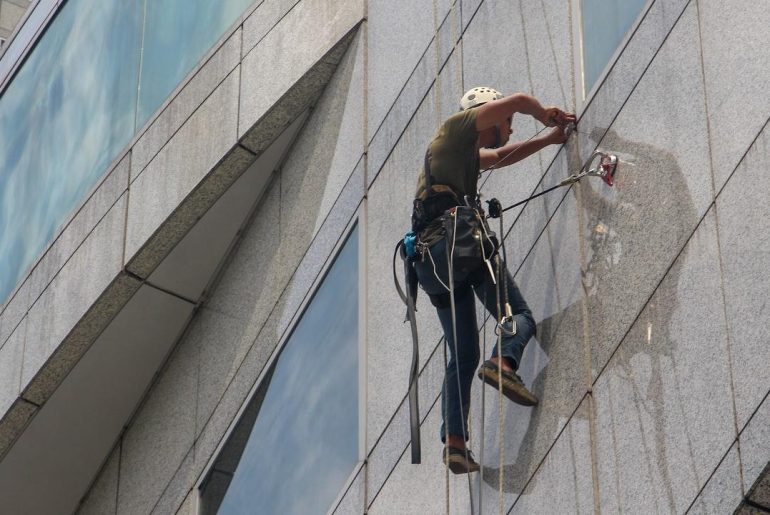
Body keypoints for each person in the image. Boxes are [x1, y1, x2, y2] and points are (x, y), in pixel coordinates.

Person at [411, 87, 575, 474]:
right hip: (460, 244)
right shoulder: (453, 130)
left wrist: (550, 140)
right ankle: (503, 363)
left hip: (431, 263)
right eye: (507, 122)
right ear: (487, 115)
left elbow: (501, 157)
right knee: (519, 314)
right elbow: (519, 100)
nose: (511, 128)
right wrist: (545, 114)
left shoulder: (457, 156)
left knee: (463, 356)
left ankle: (454, 443)